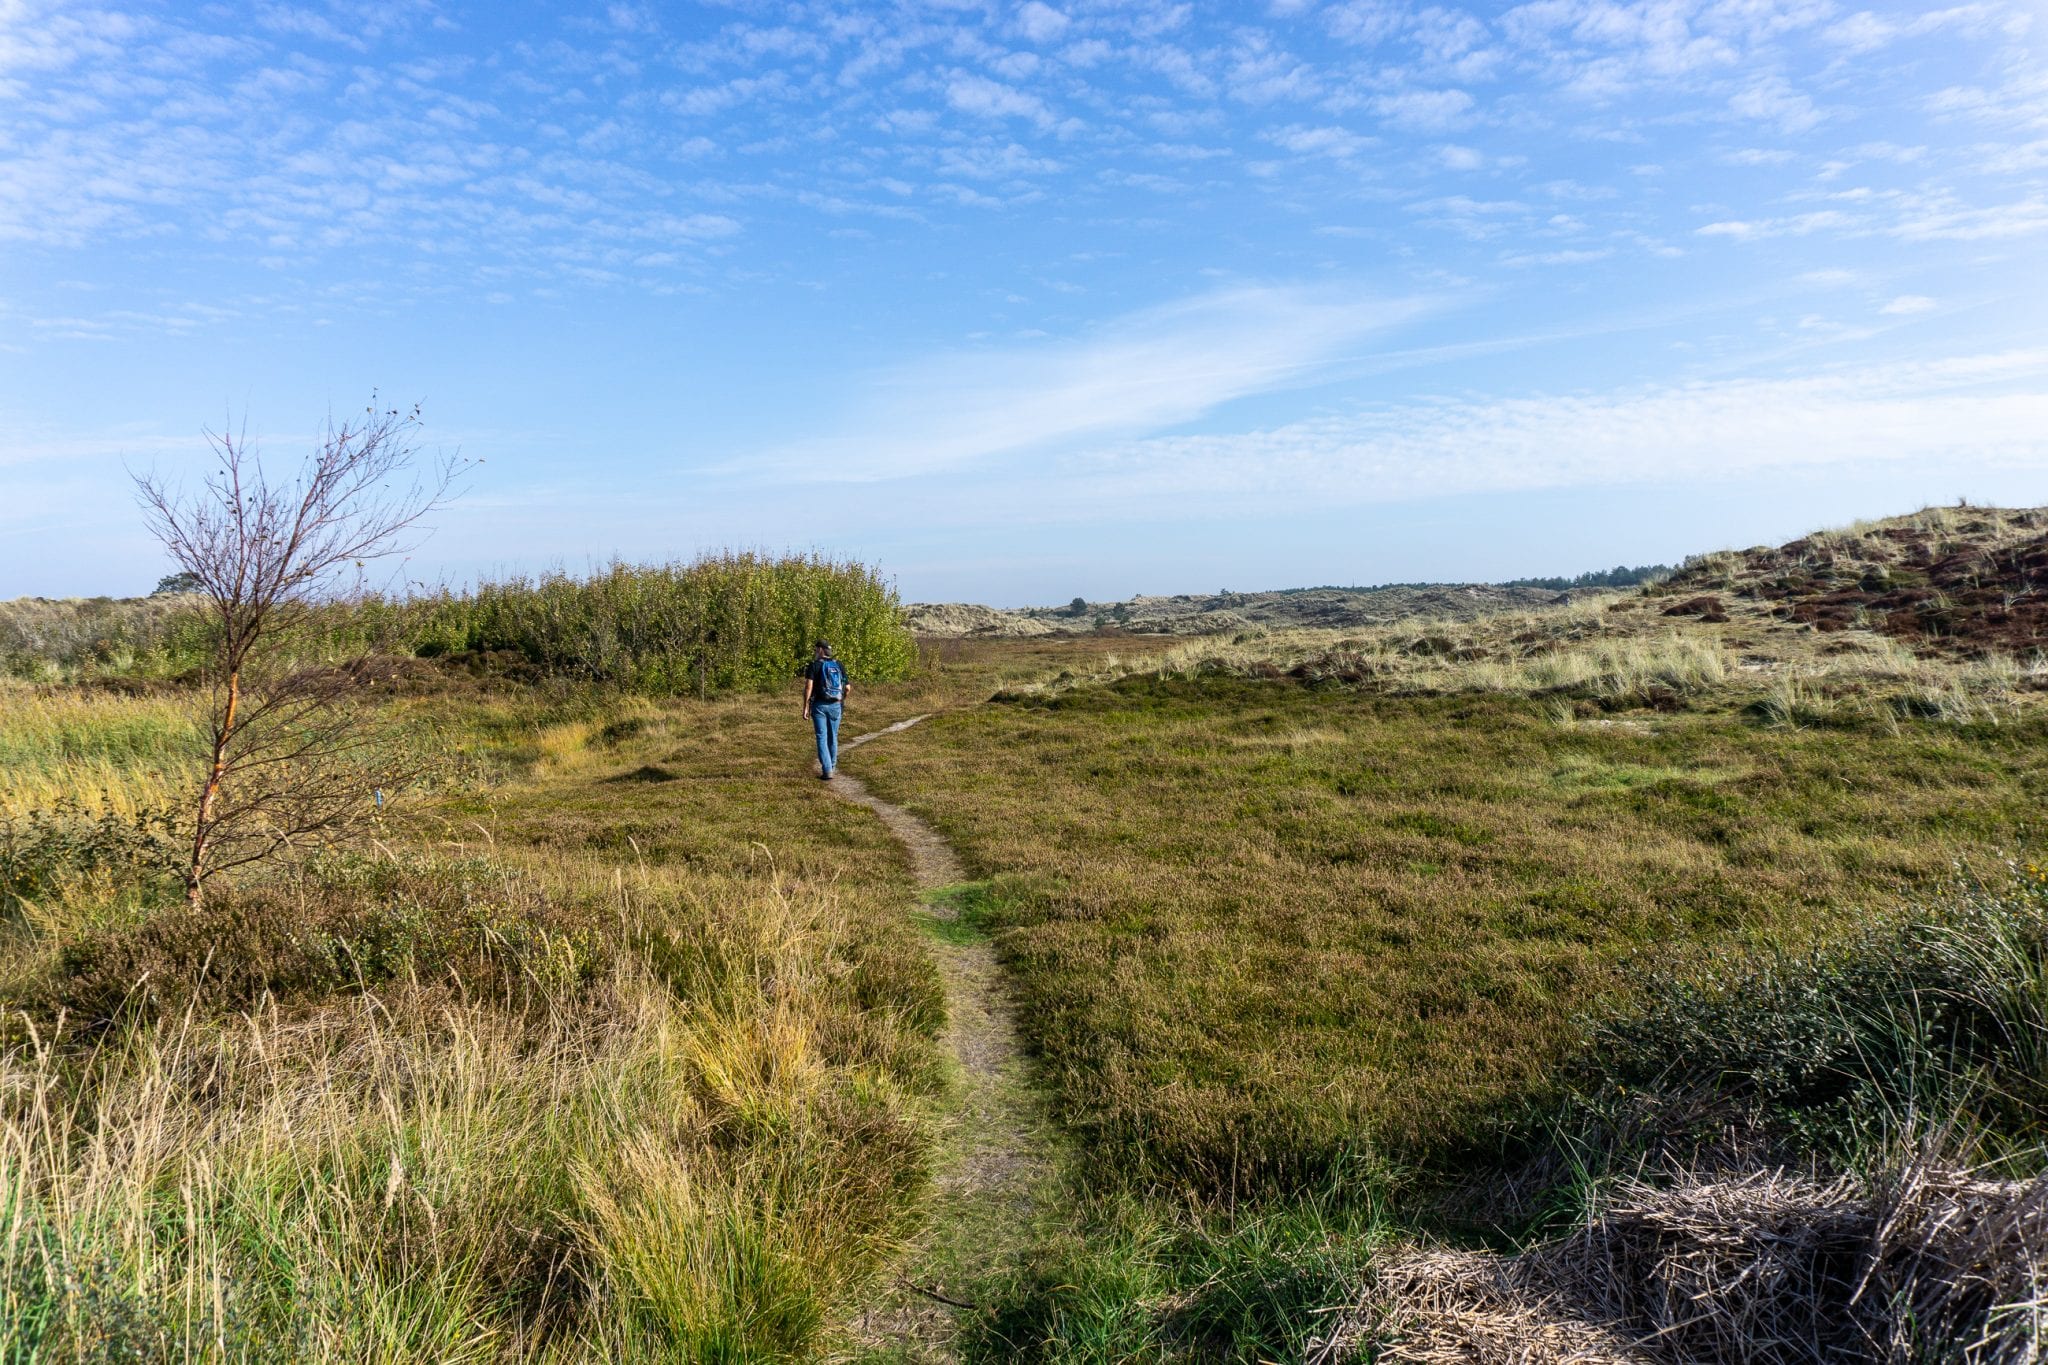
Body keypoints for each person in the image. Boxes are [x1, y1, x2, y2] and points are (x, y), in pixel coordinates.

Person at [800, 640, 849, 780]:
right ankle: (832, 767)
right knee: (833, 736)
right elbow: (847, 688)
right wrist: (841, 700)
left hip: (819, 705)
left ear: (820, 650)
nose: (815, 652)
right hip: (836, 705)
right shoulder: (839, 665)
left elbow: (809, 687)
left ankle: (827, 770)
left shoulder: (814, 665)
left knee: (821, 737)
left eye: (816, 649)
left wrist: (805, 707)